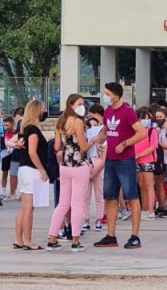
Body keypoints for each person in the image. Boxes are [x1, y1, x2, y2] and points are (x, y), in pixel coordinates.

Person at [94, 82, 147, 249]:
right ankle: (111, 235)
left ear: (115, 96)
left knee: (131, 197)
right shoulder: (108, 111)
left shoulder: (128, 112)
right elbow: (105, 131)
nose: (105, 97)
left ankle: (135, 236)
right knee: (110, 197)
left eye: (107, 94)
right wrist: (95, 140)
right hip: (110, 160)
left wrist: (124, 143)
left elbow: (142, 133)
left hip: (125, 160)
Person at [46, 95, 93, 252]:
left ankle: (53, 238)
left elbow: (57, 147)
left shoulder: (60, 121)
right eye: (80, 104)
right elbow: (84, 147)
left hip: (65, 165)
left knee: (62, 204)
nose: (82, 106)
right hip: (79, 165)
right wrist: (95, 140)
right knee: (77, 204)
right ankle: (75, 240)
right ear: (72, 105)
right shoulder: (79, 122)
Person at [12, 100, 48, 250]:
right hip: (32, 170)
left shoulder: (25, 129)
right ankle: (27, 240)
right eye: (43, 109)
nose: (45, 112)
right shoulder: (33, 130)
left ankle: (18, 239)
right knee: (29, 208)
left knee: (24, 207)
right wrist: (42, 169)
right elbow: (32, 152)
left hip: (24, 169)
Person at [85, 104, 107, 228]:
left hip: (98, 161)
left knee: (99, 194)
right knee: (85, 195)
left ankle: (99, 219)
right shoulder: (88, 132)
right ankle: (86, 219)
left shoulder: (105, 129)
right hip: (88, 160)